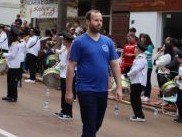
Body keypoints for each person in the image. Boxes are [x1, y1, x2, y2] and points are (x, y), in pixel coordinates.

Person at [66, 9, 122, 137]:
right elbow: (70, 67)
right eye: (96, 20)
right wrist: (69, 91)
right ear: (88, 22)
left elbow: (114, 65)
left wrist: (119, 87)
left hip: (102, 90)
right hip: (85, 89)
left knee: (97, 124)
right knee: (90, 126)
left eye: (101, 20)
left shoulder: (107, 42)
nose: (99, 23)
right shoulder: (79, 42)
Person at [54, 31, 74, 120]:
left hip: (67, 75)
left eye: (64, 40)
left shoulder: (70, 50)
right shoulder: (65, 49)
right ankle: (63, 110)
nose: (62, 41)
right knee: (63, 94)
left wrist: (55, 68)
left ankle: (68, 113)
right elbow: (61, 60)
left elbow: (64, 64)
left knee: (67, 93)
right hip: (63, 74)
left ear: (67, 41)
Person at [127, 41, 148, 122]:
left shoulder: (141, 58)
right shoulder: (139, 57)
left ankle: (140, 116)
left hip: (138, 81)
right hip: (136, 81)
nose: (134, 49)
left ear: (139, 49)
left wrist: (128, 74)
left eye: (136, 47)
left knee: (135, 98)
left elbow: (136, 69)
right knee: (134, 98)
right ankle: (138, 115)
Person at [2, 26, 22, 102]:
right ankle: (9, 95)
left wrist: (3, 54)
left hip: (14, 65)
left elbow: (12, 55)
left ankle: (14, 97)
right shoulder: (15, 43)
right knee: (9, 81)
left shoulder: (15, 44)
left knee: (13, 82)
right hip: (11, 64)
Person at [140, 33, 154, 102]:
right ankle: (144, 94)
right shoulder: (144, 46)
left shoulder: (150, 46)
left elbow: (149, 54)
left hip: (149, 66)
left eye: (142, 38)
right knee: (144, 81)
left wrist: (142, 52)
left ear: (146, 39)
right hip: (144, 66)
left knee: (148, 81)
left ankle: (147, 96)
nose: (141, 39)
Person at [173, 49, 182, 123]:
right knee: (178, 101)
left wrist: (179, 77)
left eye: (178, 58)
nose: (177, 59)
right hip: (180, 86)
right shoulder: (180, 64)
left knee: (179, 101)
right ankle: (180, 116)